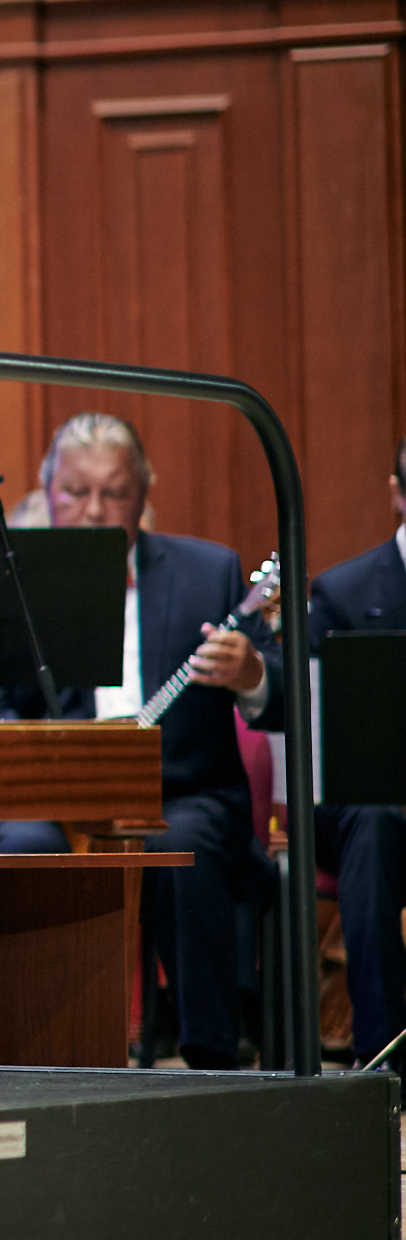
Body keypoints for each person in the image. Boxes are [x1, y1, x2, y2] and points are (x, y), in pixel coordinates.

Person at [2, 413, 278, 1067]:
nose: (95, 509)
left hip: (182, 792)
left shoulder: (208, 571)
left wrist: (251, 673)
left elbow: (282, 693)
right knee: (21, 844)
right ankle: (37, 1056)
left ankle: (208, 1056)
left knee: (179, 842)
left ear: (143, 494)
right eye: (75, 492)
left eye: (115, 492)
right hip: (52, 798)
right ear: (47, 490)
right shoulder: (9, 579)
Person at [277, 435, 406, 1066]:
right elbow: (304, 728)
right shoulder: (344, 593)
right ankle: (385, 1054)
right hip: (364, 809)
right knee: (376, 821)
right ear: (397, 495)